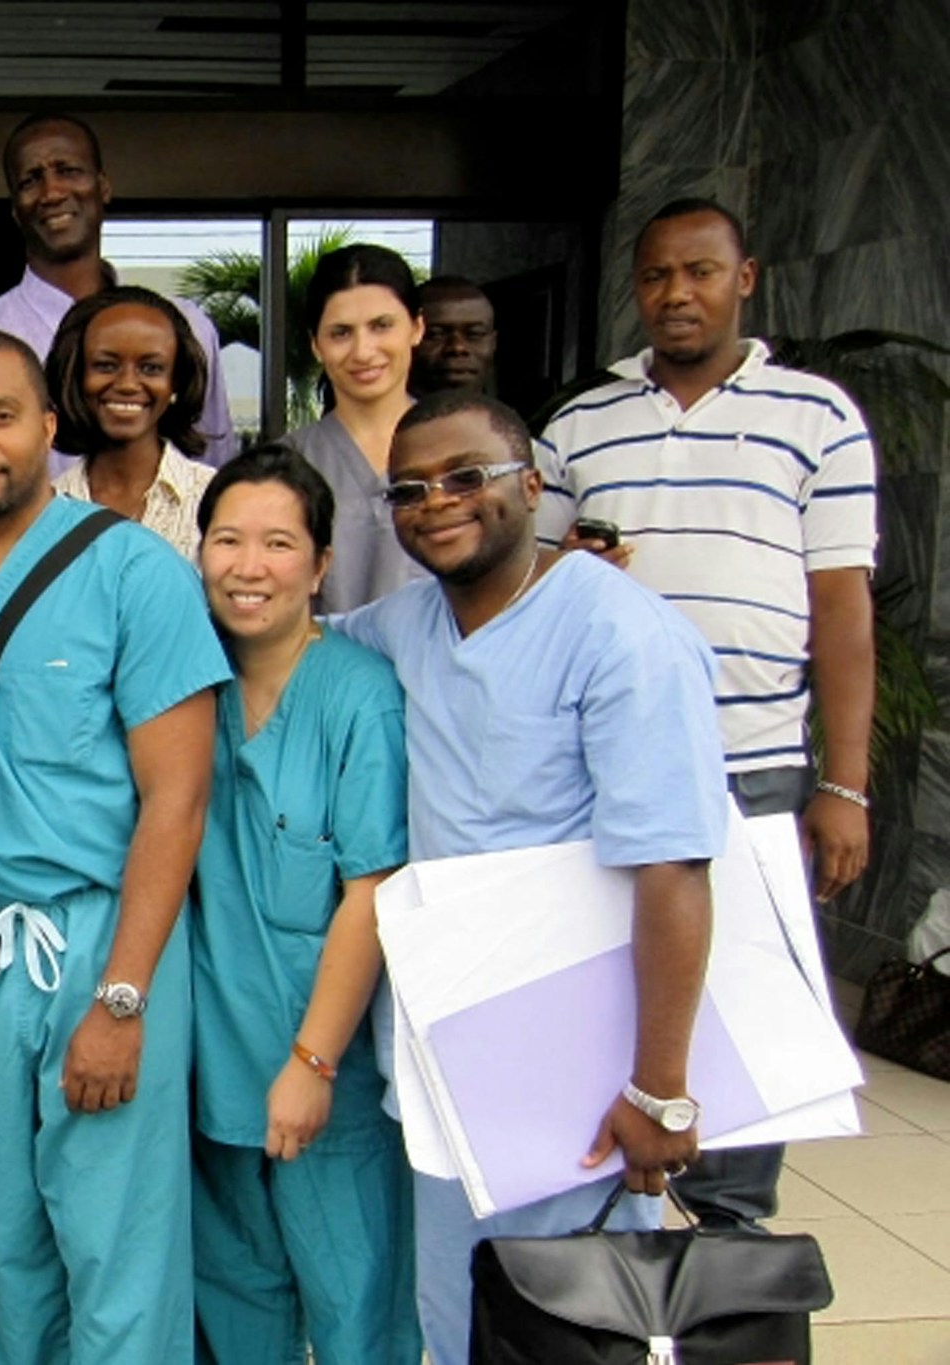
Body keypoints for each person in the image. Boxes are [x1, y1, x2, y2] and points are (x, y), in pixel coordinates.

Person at [329, 390, 725, 1365]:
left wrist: (661, 1089)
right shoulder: (408, 623)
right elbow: (300, 646)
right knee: (460, 1318)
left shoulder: (620, 633)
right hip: (449, 1054)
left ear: (534, 486)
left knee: (573, 1323)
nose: (436, 503)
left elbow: (673, 866)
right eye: (409, 490)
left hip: (575, 1066)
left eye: (467, 477)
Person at [535, 196, 877, 1231]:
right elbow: (534, 588)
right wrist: (571, 571)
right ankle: (599, 1223)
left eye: (697, 272)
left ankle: (731, 1238)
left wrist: (844, 784)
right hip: (603, 772)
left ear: (746, 277)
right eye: (653, 276)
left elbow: (841, 609)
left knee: (744, 1010)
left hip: (757, 764)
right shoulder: (578, 424)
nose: (674, 294)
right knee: (605, 994)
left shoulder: (817, 416)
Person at [0, 328, 227, 1364]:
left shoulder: (131, 572)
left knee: (117, 1249)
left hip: (101, 942)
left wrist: (121, 999)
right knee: (8, 1246)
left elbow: (178, 800)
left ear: (47, 424)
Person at [187, 444, 418, 1365]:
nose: (250, 566)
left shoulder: (359, 696)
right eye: (227, 539)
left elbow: (371, 891)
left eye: (279, 543)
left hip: (326, 1067)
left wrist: (313, 1063)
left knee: (357, 1304)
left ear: (322, 564)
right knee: (236, 1300)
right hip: (208, 1065)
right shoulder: (181, 686)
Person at [0, 112, 236, 466]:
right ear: (15, 209)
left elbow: (215, 467)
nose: (52, 192)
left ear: (103, 186)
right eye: (31, 180)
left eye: (68, 171)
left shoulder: (185, 326)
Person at [280, 243, 428, 613]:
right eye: (341, 333)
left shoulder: (460, 451)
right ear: (316, 345)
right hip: (323, 668)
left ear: (417, 328)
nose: (363, 351)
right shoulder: (287, 464)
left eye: (381, 326)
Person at [47, 285, 217, 557]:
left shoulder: (214, 500)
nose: (127, 384)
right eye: (106, 365)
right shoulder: (46, 510)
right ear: (76, 375)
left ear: (176, 381)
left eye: (151, 368)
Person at [411, 276, 498, 397]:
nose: (457, 347)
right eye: (436, 334)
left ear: (493, 342)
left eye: (474, 334)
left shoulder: (509, 416)